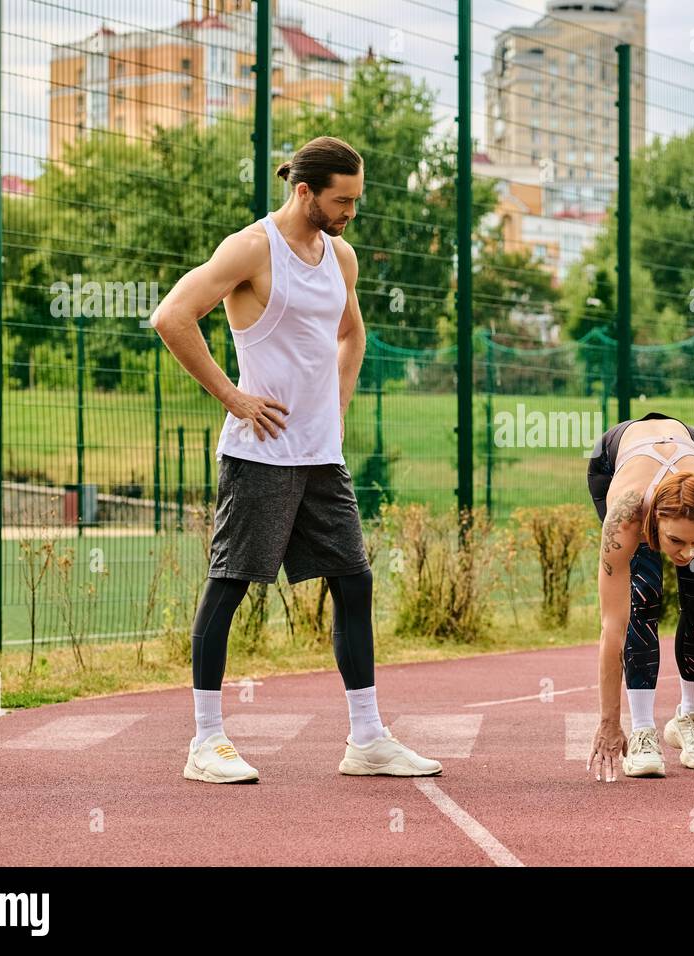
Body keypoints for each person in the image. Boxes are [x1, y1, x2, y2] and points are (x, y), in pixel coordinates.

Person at [151, 135, 440, 782]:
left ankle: (366, 739)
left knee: (355, 582)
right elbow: (173, 316)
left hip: (320, 457)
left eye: (357, 202)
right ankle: (206, 742)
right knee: (229, 586)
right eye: (342, 201)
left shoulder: (341, 255)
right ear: (304, 190)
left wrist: (335, 409)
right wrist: (233, 397)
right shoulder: (252, 248)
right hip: (261, 456)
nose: (350, 214)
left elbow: (351, 333)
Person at [585, 411, 694, 782]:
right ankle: (643, 730)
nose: (688, 552)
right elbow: (612, 628)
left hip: (689, 446)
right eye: (676, 541)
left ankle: (691, 718)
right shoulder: (627, 517)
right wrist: (609, 723)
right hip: (614, 457)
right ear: (655, 524)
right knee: (644, 596)